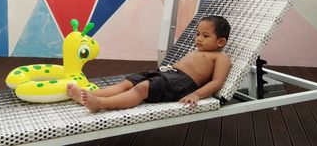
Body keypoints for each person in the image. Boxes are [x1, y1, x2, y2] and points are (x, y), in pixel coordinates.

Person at [67, 15, 231, 112]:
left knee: (142, 88)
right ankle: (90, 95)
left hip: (182, 83)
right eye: (197, 34)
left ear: (221, 41)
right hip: (167, 74)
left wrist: (197, 94)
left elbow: (217, 81)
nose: (199, 38)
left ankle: (100, 104)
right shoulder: (198, 51)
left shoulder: (220, 58)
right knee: (128, 82)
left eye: (205, 36)